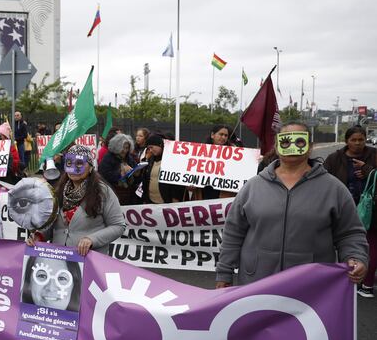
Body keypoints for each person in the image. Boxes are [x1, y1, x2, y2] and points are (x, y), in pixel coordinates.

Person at [216, 122, 368, 288]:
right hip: (256, 284)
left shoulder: (334, 189)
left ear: (310, 147)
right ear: (277, 145)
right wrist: (224, 273)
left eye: (300, 142)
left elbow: (350, 233)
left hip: (310, 287)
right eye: (286, 142)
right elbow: (233, 232)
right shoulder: (253, 187)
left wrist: (356, 256)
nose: (292, 146)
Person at [27, 144, 126, 256]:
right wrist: (39, 236)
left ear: (90, 167)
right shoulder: (58, 190)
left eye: (79, 164)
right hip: (59, 260)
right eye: (69, 163)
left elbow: (118, 226)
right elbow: (54, 225)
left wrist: (91, 240)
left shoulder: (103, 192)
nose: (73, 168)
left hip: (90, 261)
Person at [323, 124, 377, 297]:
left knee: (365, 244)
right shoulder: (334, 158)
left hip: (369, 211)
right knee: (336, 244)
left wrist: (368, 170)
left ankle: (364, 280)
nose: (358, 143)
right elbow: (322, 177)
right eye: (353, 140)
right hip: (341, 209)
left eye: (361, 139)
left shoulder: (374, 155)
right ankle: (336, 278)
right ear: (346, 141)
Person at [140, 134, 181, 204]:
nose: (150, 150)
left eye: (152, 147)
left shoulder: (172, 160)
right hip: (151, 202)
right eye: (149, 148)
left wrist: (175, 199)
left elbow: (176, 184)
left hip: (167, 203)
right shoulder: (150, 160)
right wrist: (145, 199)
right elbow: (146, 181)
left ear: (159, 144)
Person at [98, 133, 138, 205]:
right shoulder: (108, 158)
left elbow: (135, 168)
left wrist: (136, 170)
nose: (124, 150)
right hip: (114, 193)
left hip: (128, 194)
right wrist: (120, 173)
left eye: (127, 148)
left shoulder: (128, 157)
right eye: (122, 148)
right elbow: (103, 175)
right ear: (116, 146)